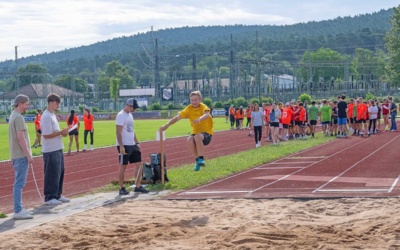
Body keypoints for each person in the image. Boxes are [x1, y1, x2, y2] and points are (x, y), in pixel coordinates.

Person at [160, 91, 213, 171]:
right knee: (189, 140)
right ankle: (197, 161)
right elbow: (177, 118)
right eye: (191, 100)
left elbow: (207, 115)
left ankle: (201, 158)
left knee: (197, 136)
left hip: (206, 134)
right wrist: (167, 125)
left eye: (195, 100)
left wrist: (199, 119)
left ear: (200, 100)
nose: (193, 102)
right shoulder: (189, 108)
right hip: (195, 133)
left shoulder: (203, 107)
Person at [41, 93, 70, 205]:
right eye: (56, 103)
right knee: (52, 173)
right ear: (50, 103)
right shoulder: (46, 116)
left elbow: (54, 133)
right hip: (50, 150)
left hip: (57, 148)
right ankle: (49, 197)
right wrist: (60, 133)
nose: (58, 105)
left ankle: (57, 194)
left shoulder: (53, 115)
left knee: (59, 172)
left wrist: (63, 133)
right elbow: (46, 134)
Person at [8, 94, 34, 220]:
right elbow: (20, 138)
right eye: (26, 104)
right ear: (20, 104)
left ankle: (19, 209)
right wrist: (28, 155)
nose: (27, 107)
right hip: (20, 155)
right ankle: (18, 210)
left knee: (18, 183)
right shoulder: (19, 118)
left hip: (16, 155)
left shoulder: (13, 115)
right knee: (19, 183)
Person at [116, 98, 149, 195]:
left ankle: (138, 186)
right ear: (129, 106)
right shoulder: (121, 115)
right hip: (124, 144)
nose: (135, 109)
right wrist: (121, 146)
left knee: (138, 163)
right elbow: (118, 132)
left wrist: (137, 142)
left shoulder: (130, 115)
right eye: (134, 107)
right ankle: (121, 188)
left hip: (132, 144)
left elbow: (132, 130)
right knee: (123, 166)